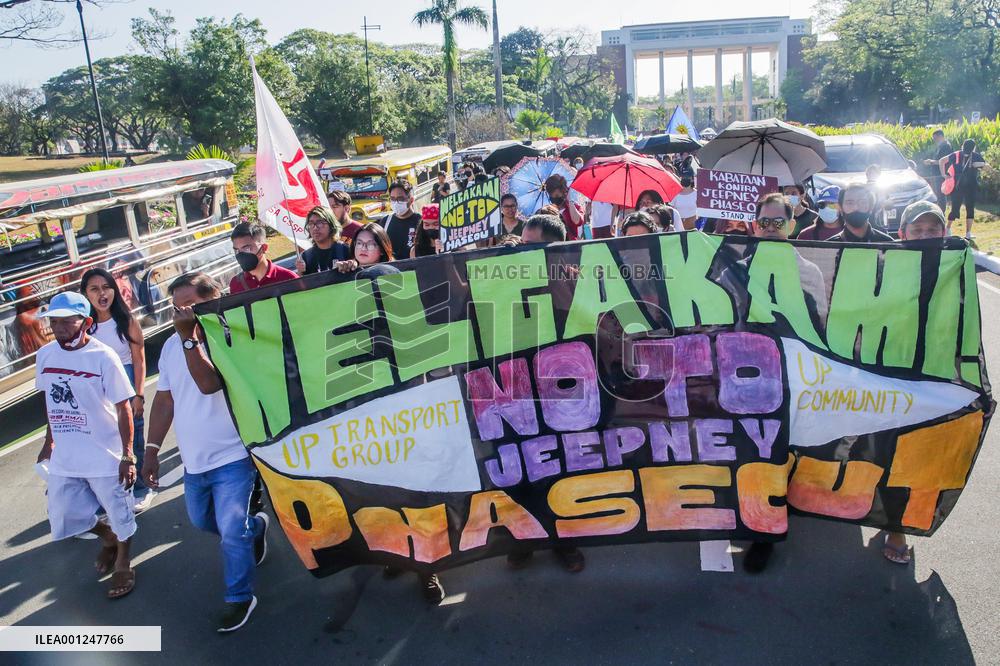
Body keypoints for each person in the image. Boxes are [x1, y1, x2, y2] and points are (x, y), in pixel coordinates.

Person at [143, 272, 269, 632]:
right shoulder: (171, 346)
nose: (180, 314)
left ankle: (239, 598)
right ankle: (255, 528)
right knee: (202, 521)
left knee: (230, 530)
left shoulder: (232, 337)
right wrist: (151, 450)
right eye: (175, 308)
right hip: (195, 460)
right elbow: (165, 400)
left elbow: (209, 383)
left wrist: (189, 340)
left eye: (187, 306)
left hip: (234, 456)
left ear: (212, 298)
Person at [34, 291, 137, 599]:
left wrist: (128, 454)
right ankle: (107, 537)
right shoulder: (46, 355)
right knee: (64, 515)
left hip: (104, 453)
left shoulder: (103, 356)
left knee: (120, 511)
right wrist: (48, 441)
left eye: (68, 321)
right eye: (55, 321)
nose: (60, 327)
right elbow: (50, 399)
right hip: (66, 454)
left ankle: (124, 559)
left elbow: (124, 407)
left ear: (86, 322)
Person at [81, 268, 153, 513]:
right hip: (98, 387)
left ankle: (142, 488)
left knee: (134, 438)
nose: (102, 293)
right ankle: (111, 491)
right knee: (105, 441)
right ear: (85, 294)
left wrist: (139, 394)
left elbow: (139, 360)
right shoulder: (84, 327)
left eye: (106, 287)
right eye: (94, 289)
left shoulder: (127, 321)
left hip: (127, 380)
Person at [228, 222, 299, 294]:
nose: (241, 254)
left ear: (264, 248)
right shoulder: (235, 284)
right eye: (236, 250)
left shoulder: (288, 278)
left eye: (247, 248)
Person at [941, 139, 990, 239]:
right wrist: (982, 165)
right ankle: (966, 233)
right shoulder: (974, 155)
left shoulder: (957, 154)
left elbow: (942, 161)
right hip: (965, 187)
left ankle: (949, 230)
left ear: (962, 145)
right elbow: (988, 168)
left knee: (957, 208)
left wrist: (944, 175)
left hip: (960, 187)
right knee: (965, 209)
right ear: (974, 148)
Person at [828, 184, 894, 243]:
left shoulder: (887, 244)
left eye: (862, 202)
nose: (856, 207)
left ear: (871, 207)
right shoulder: (829, 247)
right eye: (850, 203)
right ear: (841, 208)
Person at [295, 206, 350, 275]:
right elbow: (304, 284)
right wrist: (300, 273)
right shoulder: (306, 256)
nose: (315, 228)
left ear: (331, 225)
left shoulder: (345, 250)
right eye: (311, 224)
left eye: (320, 223)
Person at [382, 180, 423, 260]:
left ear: (411, 200)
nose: (396, 203)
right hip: (392, 271)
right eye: (393, 199)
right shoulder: (385, 222)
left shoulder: (421, 222)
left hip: (414, 269)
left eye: (400, 199)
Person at [544, 174, 584, 240]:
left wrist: (570, 200)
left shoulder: (574, 207)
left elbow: (577, 221)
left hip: (571, 246)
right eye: (551, 195)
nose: (554, 198)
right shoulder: (547, 210)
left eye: (557, 195)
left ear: (564, 192)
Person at [923, 129, 952, 204]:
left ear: (941, 136)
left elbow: (943, 161)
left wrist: (931, 162)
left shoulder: (946, 146)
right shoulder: (941, 146)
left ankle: (942, 210)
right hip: (937, 173)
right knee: (938, 193)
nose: (935, 140)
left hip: (941, 173)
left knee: (940, 194)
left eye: (935, 138)